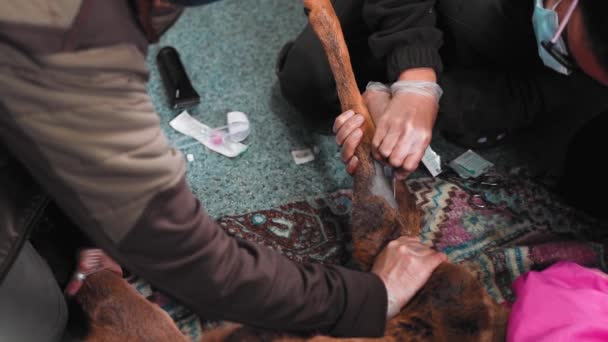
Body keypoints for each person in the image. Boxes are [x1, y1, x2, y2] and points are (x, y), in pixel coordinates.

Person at [0, 1, 446, 341]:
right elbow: (186, 255)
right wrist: (371, 298)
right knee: (42, 319)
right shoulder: (69, 38)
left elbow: (61, 121)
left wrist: (415, 80)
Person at [277, 0, 608, 181]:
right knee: (308, 79)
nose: (562, 60)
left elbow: (537, 94)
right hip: (423, 10)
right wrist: (415, 75)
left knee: (482, 118)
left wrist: (430, 104)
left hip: (498, 60)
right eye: (563, 49)